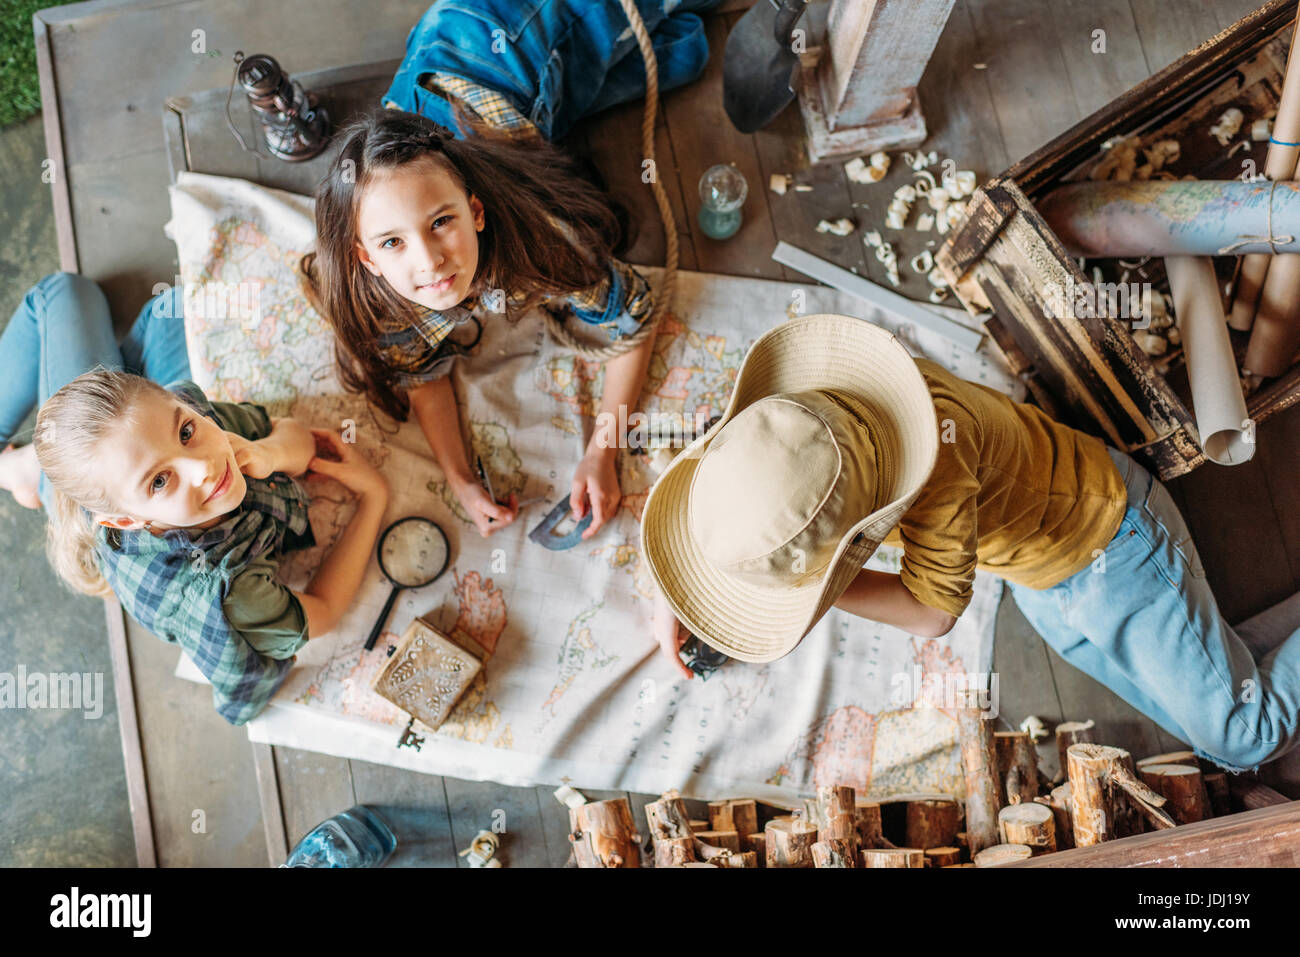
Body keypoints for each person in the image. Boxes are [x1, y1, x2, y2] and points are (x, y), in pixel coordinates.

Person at [642, 313, 1300, 774]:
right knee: (1216, 717)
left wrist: (816, 597)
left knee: (1245, 738)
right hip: (1040, 571)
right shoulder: (807, 413)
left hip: (1112, 546)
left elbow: (932, 612)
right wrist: (690, 590)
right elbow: (740, 481)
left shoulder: (938, 468)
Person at [302, 0, 721, 541]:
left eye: (441, 222)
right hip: (478, 83)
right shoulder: (375, 296)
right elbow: (421, 367)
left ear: (476, 212)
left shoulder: (541, 240)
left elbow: (634, 318)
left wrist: (603, 452)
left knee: (669, 25)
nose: (427, 261)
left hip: (506, 32)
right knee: (687, 51)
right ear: (367, 258)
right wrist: (460, 479)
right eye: (392, 242)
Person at [0, 272, 389, 725]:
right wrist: (374, 499)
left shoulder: (198, 423)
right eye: (160, 482)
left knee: (154, 302)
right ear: (126, 522)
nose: (204, 467)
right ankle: (26, 470)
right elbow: (324, 613)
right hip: (107, 478)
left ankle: (54, 460)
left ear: (178, 403)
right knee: (58, 294)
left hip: (119, 444)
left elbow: (292, 438)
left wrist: (265, 453)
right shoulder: (230, 591)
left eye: (185, 430)